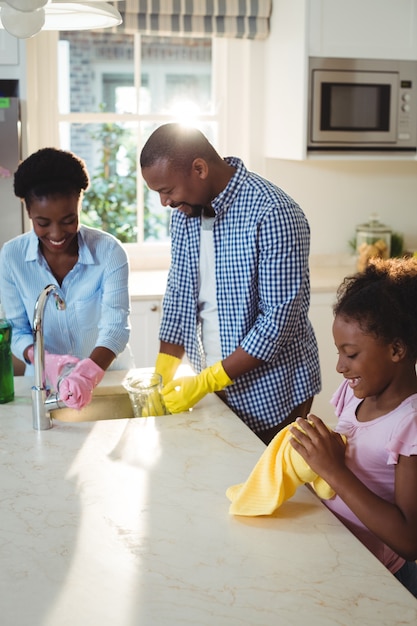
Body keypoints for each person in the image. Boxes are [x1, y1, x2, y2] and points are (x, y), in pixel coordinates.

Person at [140, 123, 321, 444]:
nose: (164, 203)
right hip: (215, 391)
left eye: (166, 190)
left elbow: (277, 322)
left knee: (269, 491)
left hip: (272, 395)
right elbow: (180, 294)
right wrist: (162, 374)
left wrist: (209, 381)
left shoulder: (274, 213)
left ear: (199, 169)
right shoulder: (185, 214)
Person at [289, 257, 417, 598]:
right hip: (339, 550)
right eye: (338, 353)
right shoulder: (353, 393)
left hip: (382, 577)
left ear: (396, 349)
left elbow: (409, 542)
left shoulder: (410, 425)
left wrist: (332, 471)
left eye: (351, 354)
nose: (340, 367)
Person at [0, 147, 133, 410]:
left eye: (68, 220)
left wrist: (87, 373)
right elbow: (17, 330)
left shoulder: (109, 252)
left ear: (79, 204)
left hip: (108, 380)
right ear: (28, 213)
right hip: (44, 384)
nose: (57, 233)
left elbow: (116, 327)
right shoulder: (12, 256)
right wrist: (46, 362)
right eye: (43, 222)